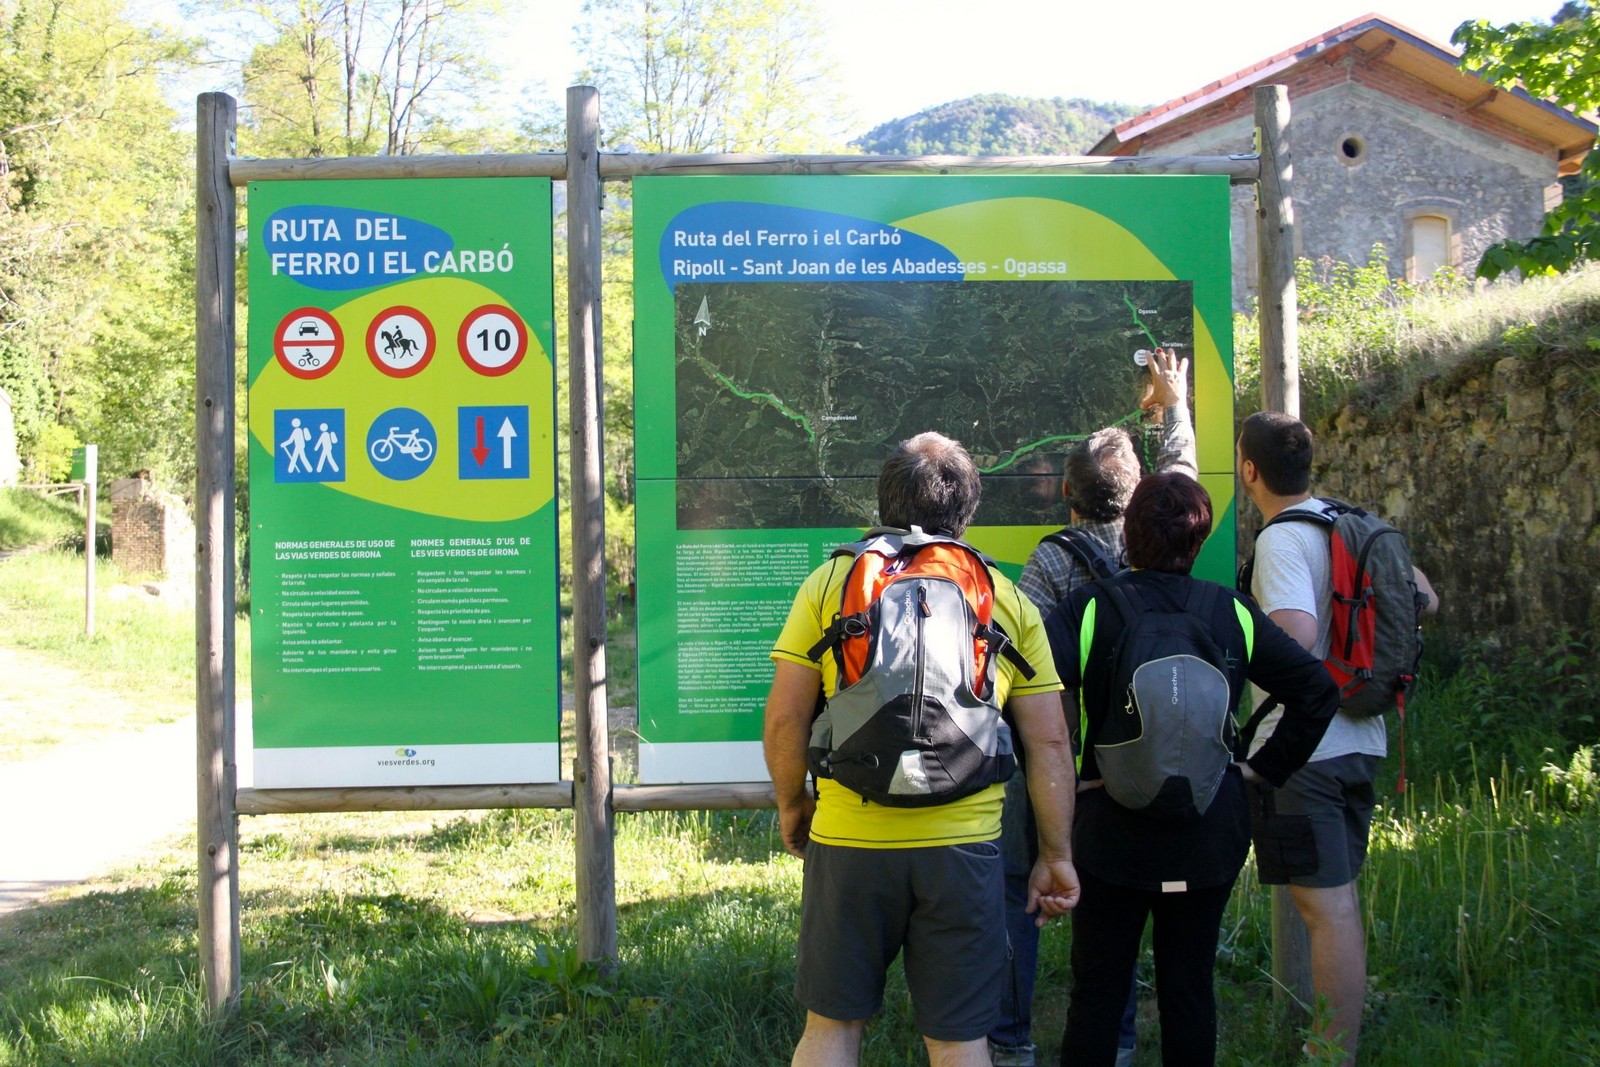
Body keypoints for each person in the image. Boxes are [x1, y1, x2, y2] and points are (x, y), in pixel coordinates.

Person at [764, 431, 1082, 1067]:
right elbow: (1049, 741)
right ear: (967, 510)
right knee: (959, 1040)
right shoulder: (1004, 597)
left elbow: (785, 720)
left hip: (850, 837)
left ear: (884, 501)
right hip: (964, 846)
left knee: (831, 1027)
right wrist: (1055, 855)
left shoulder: (830, 584)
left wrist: (792, 804)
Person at [1045, 472, 1339, 1067]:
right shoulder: (1232, 611)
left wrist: (1066, 780)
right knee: (1189, 989)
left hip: (1110, 830)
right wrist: (1258, 770)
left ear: (1128, 534)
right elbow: (1317, 691)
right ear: (1198, 541)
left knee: (1097, 992)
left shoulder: (1090, 608)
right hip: (1208, 827)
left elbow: (1027, 698)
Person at [993, 348, 1196, 1067]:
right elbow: (1183, 477)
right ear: (1138, 497)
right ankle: (1120, 1038)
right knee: (1116, 900)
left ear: (1067, 495)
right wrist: (1173, 407)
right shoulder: (1161, 541)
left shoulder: (1054, 559)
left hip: (1059, 754)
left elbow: (1022, 661)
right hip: (1138, 751)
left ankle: (1010, 1039)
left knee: (1018, 887)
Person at [1235, 412, 1438, 1065]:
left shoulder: (1282, 540)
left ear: (1249, 470)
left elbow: (1294, 636)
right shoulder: (1347, 523)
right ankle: (1331, 1045)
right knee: (1339, 902)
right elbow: (1424, 596)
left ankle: (1330, 1054)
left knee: (1327, 912)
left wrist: (1237, 649)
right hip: (1362, 739)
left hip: (1307, 754)